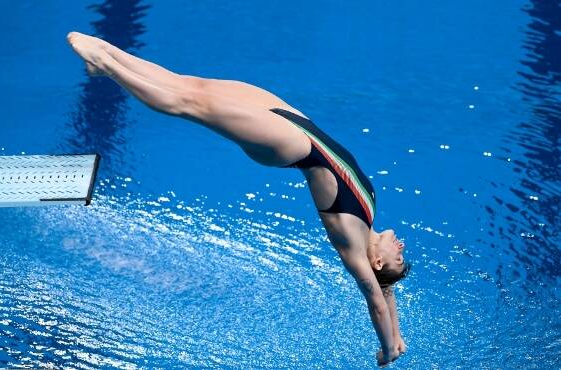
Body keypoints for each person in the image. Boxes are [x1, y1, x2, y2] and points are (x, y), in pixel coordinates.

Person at [67, 31, 411, 367]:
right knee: (191, 86)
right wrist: (396, 338)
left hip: (289, 145)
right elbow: (388, 293)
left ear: (376, 263)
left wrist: (386, 350)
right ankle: (107, 52)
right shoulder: (368, 219)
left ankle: (107, 65)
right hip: (295, 121)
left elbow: (377, 301)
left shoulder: (353, 246)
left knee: (187, 104)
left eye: (397, 259)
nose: (402, 248)